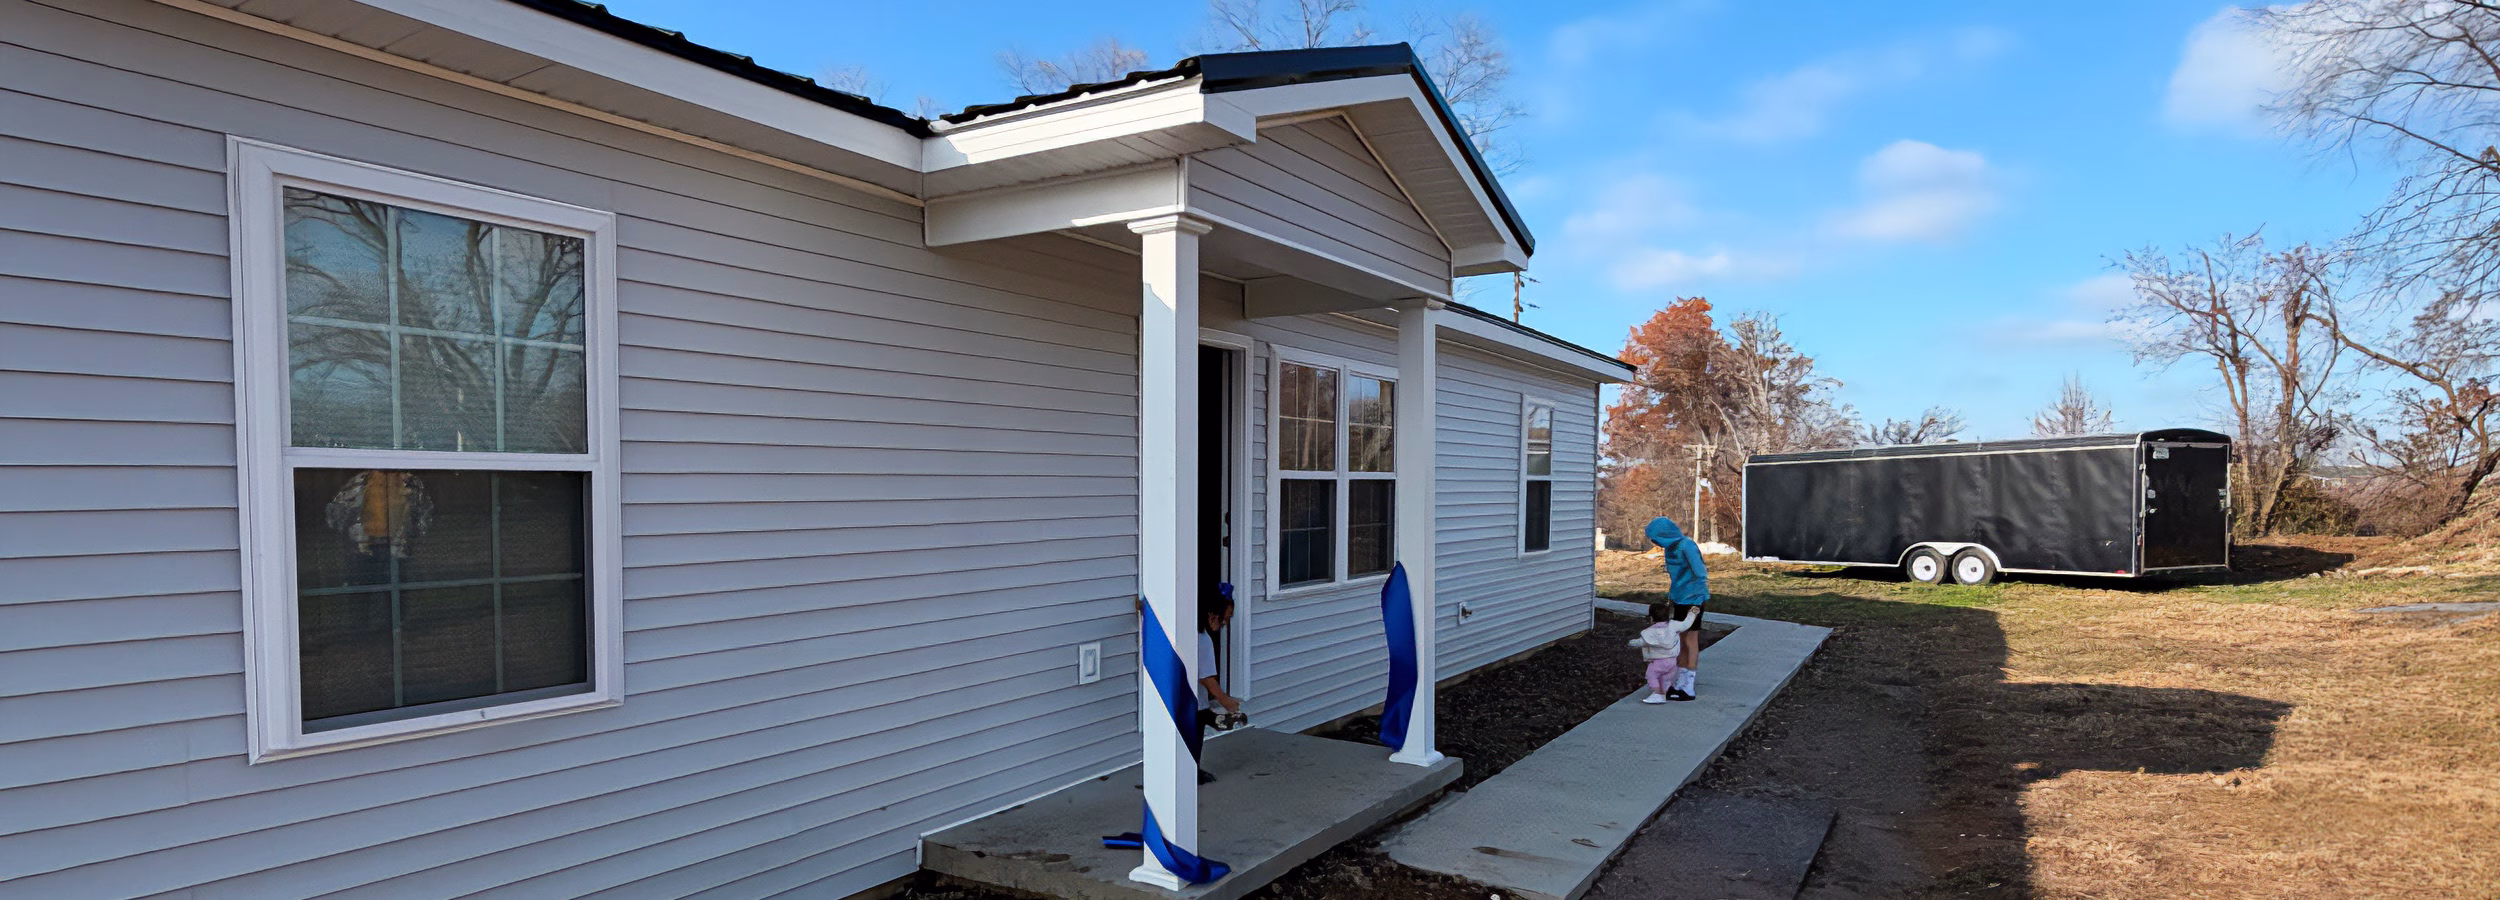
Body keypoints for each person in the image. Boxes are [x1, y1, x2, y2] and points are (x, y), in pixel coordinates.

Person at [1644, 516, 1710, 700]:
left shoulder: (1687, 546)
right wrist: (1673, 596)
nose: (1655, 543)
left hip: (1693, 599)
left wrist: (1697, 599)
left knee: (1690, 639)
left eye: (1656, 538)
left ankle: (1689, 685)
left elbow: (1700, 573)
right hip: (1678, 598)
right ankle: (1679, 681)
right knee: (1679, 640)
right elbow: (1675, 575)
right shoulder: (1669, 549)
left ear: (1665, 534)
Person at [1630, 601, 1701, 704]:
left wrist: (1632, 643)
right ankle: (1664, 692)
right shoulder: (1674, 626)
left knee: (1651, 676)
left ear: (1651, 618)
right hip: (1672, 661)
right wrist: (1692, 614)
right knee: (1666, 679)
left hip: (1657, 662)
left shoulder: (1650, 632)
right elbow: (1686, 624)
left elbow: (1642, 642)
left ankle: (1658, 693)